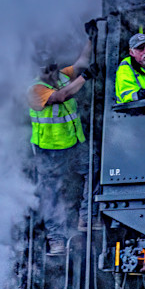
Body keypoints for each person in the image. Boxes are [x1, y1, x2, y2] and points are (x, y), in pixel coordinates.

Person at [28, 36, 97, 254]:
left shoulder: (62, 75)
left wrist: (91, 38)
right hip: (48, 151)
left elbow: (81, 63)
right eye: (46, 70)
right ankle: (55, 239)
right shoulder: (35, 90)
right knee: (52, 194)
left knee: (94, 168)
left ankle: (87, 217)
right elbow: (61, 96)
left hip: (73, 143)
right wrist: (85, 78)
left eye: (52, 68)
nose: (50, 73)